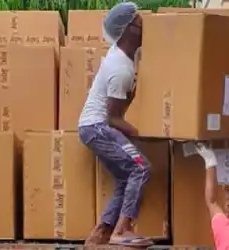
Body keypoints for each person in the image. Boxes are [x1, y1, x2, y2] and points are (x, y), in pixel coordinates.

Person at [78, 1, 152, 247]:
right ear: (130, 28)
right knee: (140, 168)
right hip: (98, 127)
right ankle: (123, 229)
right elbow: (113, 118)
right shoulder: (121, 69)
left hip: (93, 127)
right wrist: (141, 132)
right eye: (141, 21)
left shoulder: (124, 57)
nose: (146, 25)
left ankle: (100, 235)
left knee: (125, 178)